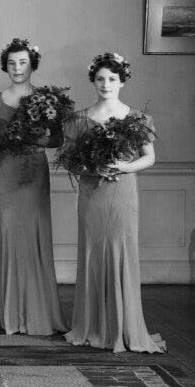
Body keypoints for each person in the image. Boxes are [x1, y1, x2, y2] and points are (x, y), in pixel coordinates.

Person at [62, 52, 165, 353]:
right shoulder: (78, 119)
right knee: (93, 254)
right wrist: (92, 168)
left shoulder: (137, 118)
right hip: (91, 193)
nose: (105, 84)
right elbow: (68, 159)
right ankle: (91, 325)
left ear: (122, 81)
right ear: (93, 81)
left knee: (122, 253)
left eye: (112, 79)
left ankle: (124, 327)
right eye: (100, 79)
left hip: (122, 193)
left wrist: (123, 166)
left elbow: (149, 157)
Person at [0, 39, 67, 336]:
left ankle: (38, 313)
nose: (17, 68)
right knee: (9, 234)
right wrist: (8, 140)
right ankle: (12, 315)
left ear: (32, 65)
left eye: (23, 62)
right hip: (7, 171)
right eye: (12, 63)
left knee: (34, 235)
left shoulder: (47, 99)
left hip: (35, 171)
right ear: (5, 66)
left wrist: (35, 138)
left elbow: (58, 139)